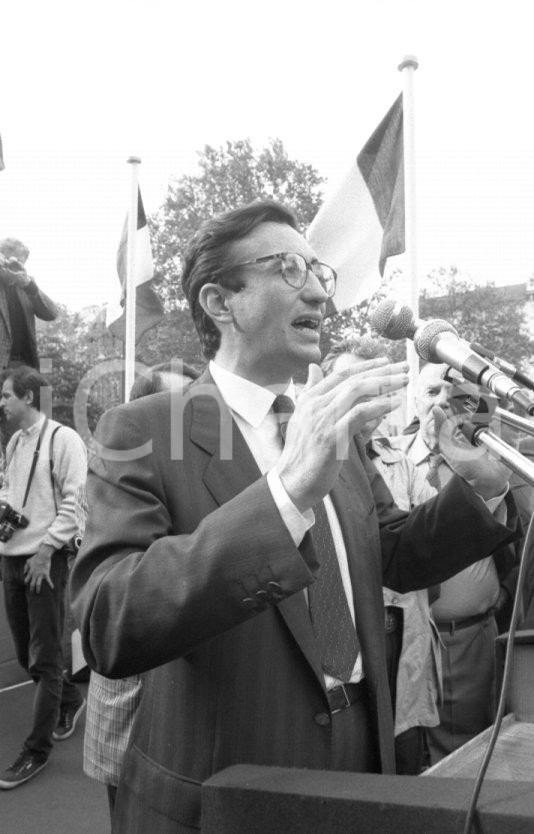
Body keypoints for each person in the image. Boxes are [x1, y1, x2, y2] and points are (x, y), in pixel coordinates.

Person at [71, 201, 518, 833]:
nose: (316, 290)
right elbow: (108, 622)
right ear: (221, 303)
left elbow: (393, 552)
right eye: (287, 268)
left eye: (317, 270)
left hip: (366, 759)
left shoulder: (331, 425)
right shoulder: (145, 431)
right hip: (228, 787)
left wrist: (477, 485)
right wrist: (287, 492)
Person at [83, 360, 199, 819]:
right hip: (133, 682)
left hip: (192, 694)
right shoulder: (118, 468)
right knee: (130, 808)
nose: (192, 416)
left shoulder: (216, 466)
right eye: (180, 405)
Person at [323, 336, 441, 775]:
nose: (362, 401)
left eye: (373, 390)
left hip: (400, 637)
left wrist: (479, 485)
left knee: (401, 759)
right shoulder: (302, 459)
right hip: (341, 652)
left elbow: (421, 544)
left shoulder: (403, 466)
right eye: (350, 385)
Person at [393, 361, 520, 763]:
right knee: (416, 760)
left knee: (480, 753)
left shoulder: (495, 461)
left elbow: (521, 537)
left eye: (458, 397)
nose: (442, 406)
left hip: (476, 638)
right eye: (433, 393)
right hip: (409, 646)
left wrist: (501, 592)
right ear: (414, 397)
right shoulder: (388, 459)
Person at [0, 366, 87, 789]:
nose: (1, 403)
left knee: (46, 659)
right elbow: (10, 490)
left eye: (6, 396)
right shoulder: (15, 441)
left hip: (43, 561)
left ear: (29, 398)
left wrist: (47, 549)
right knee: (25, 655)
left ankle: (36, 751)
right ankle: (70, 699)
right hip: (11, 559)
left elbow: (76, 502)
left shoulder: (64, 440)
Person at [0, 238, 58, 370]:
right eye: (15, 261)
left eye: (22, 263)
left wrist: (29, 286)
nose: (18, 267)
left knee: (43, 389)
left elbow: (52, 314)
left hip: (24, 364)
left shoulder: (25, 285)